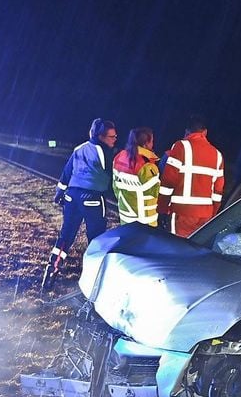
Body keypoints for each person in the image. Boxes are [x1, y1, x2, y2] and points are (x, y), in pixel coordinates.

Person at [45, 118, 117, 282]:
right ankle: (94, 275)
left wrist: (59, 193)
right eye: (111, 136)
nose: (115, 140)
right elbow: (112, 175)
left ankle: (52, 269)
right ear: (100, 136)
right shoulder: (104, 151)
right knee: (96, 238)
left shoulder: (79, 148)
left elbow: (66, 173)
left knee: (66, 235)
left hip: (71, 197)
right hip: (93, 198)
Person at [160, 115, 225, 237]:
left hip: (182, 214)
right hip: (205, 215)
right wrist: (213, 213)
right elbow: (218, 191)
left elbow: (168, 182)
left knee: (176, 245)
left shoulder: (180, 146)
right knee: (196, 246)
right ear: (205, 132)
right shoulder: (217, 155)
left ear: (187, 131)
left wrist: (162, 208)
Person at [112, 127, 161, 226]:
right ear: (145, 144)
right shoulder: (147, 166)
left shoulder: (119, 158)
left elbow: (115, 187)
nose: (153, 144)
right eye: (152, 141)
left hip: (125, 216)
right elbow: (155, 194)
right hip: (145, 220)